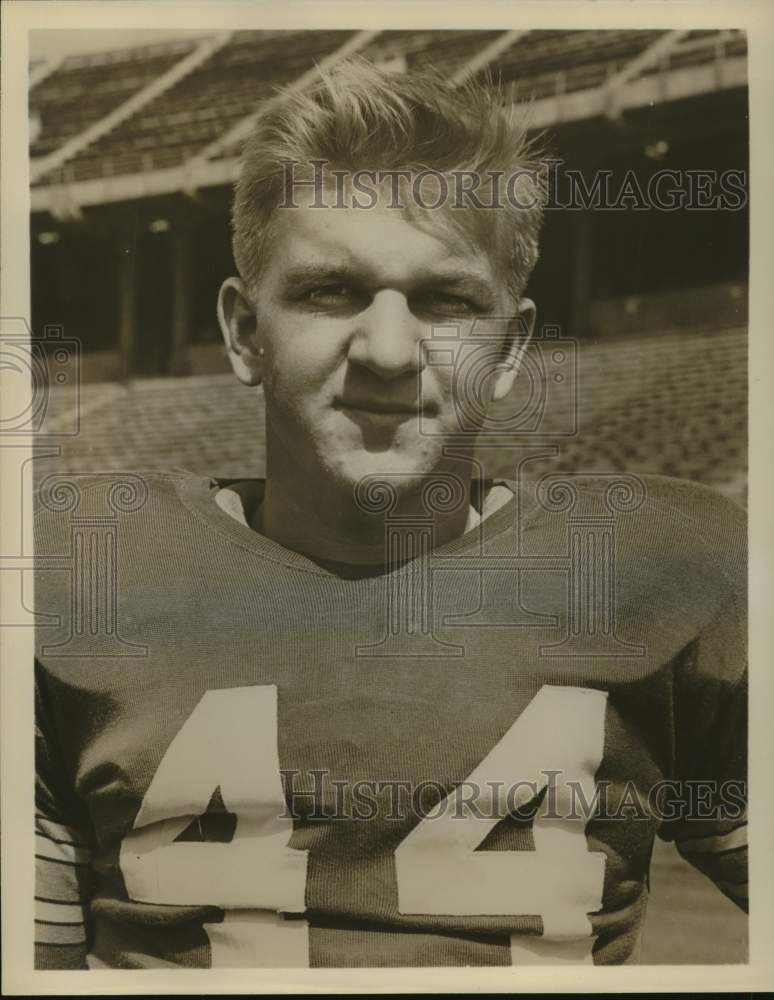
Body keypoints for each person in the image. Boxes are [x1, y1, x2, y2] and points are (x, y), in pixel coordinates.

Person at [33, 60, 746, 970]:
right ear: (244, 330)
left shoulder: (666, 572)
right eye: (331, 290)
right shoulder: (76, 572)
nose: (387, 350)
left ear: (513, 347)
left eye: (446, 300)